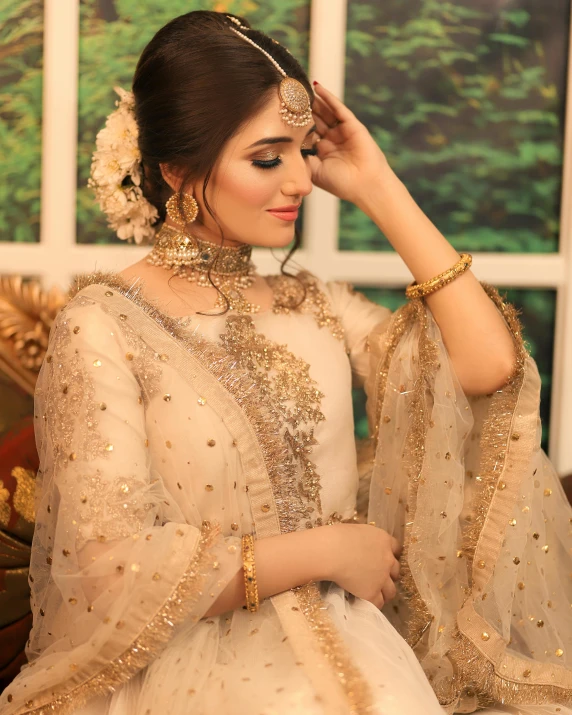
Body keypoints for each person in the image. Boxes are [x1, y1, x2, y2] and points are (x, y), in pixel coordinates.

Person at [1, 10, 570, 715]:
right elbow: (108, 569)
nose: (301, 179)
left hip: (357, 645)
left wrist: (379, 187)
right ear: (178, 170)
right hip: (188, 666)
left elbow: (489, 367)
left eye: (306, 151)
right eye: (269, 157)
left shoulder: (317, 307)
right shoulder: (105, 326)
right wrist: (325, 552)